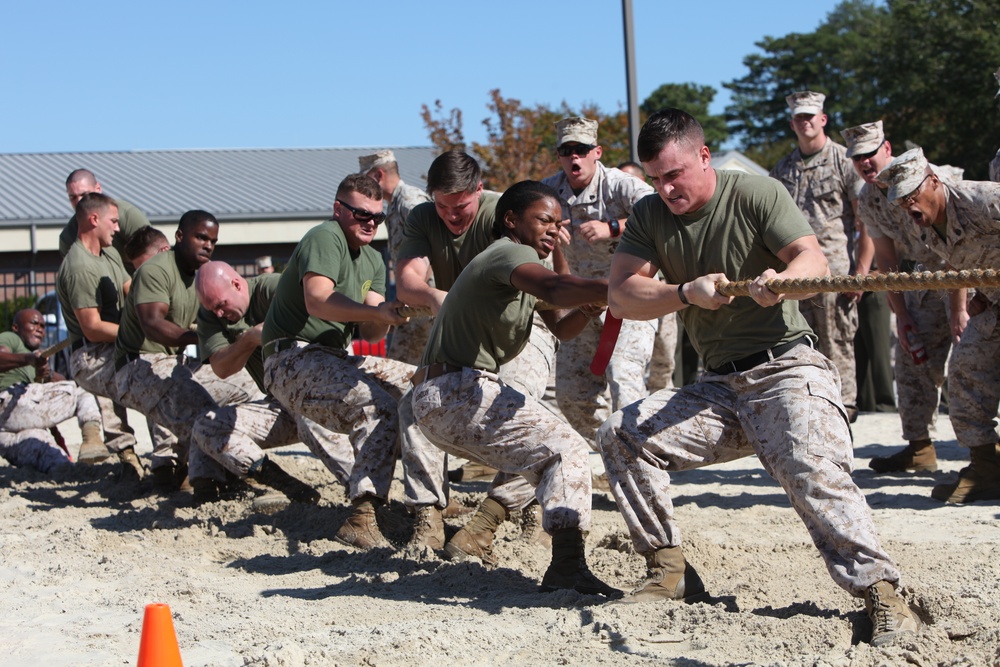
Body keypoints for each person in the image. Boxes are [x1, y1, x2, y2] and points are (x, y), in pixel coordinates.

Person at [598, 109, 917, 646]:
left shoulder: (757, 194)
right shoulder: (650, 214)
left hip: (785, 368)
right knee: (621, 434)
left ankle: (882, 593)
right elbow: (620, 295)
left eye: (674, 174)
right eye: (655, 177)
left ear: (704, 156)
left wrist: (784, 280)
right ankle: (669, 570)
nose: (665, 187)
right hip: (718, 389)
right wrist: (682, 293)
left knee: (810, 465)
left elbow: (812, 260)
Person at [409, 180, 618, 597]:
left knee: (548, 453)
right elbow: (556, 288)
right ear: (510, 220)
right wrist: (616, 288)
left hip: (441, 400)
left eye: (558, 224)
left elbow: (561, 327)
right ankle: (567, 567)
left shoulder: (515, 274)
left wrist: (594, 306)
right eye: (544, 219)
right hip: (457, 391)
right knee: (570, 449)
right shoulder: (510, 252)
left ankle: (501, 535)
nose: (552, 231)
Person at [395, 152, 565, 546]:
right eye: (442, 206)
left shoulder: (506, 212)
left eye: (461, 206)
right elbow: (407, 281)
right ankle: (427, 514)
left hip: (522, 317)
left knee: (520, 402)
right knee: (416, 403)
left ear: (479, 191)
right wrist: (441, 297)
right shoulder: (423, 217)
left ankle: (502, 512)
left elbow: (547, 279)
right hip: (463, 325)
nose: (451, 215)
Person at [262, 173, 427, 549]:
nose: (370, 223)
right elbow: (318, 300)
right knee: (378, 407)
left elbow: (370, 330)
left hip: (334, 358)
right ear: (339, 210)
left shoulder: (371, 258)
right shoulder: (326, 237)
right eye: (360, 214)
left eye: (378, 218)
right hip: (293, 356)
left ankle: (427, 502)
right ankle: (362, 516)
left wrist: (389, 314)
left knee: (425, 387)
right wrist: (376, 314)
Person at [878, 147, 1000, 504]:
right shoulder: (926, 226)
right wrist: (967, 301)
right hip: (994, 305)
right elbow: (955, 264)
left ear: (933, 181)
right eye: (900, 202)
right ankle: (987, 468)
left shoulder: (983, 198)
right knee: (964, 370)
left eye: (912, 195)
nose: (908, 208)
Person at [113, 210, 261, 495]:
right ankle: (222, 478)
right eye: (201, 237)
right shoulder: (155, 270)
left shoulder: (203, 280)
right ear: (179, 237)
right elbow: (153, 324)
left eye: (213, 241)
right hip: (137, 365)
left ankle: (194, 470)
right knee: (202, 413)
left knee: (249, 389)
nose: (208, 245)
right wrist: (203, 337)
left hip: (177, 362)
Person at [191, 261, 355, 505]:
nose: (218, 313)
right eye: (211, 308)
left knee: (312, 421)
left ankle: (367, 495)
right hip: (280, 405)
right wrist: (248, 339)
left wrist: (272, 334)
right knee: (206, 426)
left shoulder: (272, 289)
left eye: (220, 305)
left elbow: (322, 331)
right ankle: (288, 486)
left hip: (319, 394)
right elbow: (222, 368)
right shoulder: (212, 316)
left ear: (237, 284)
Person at [841, 122, 954, 473]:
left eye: (870, 154)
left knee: (973, 363)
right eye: (857, 158)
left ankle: (983, 454)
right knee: (910, 365)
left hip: (962, 276)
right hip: (921, 285)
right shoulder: (869, 198)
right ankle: (920, 449)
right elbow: (887, 259)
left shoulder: (924, 176)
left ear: (887, 148)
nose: (865, 164)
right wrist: (901, 314)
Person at [541, 117, 660, 445]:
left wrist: (614, 226)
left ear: (597, 152)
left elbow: (659, 210)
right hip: (586, 300)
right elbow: (521, 221)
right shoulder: (549, 191)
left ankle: (639, 456)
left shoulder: (619, 184)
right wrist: (546, 230)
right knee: (570, 394)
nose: (573, 158)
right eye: (566, 151)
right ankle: (617, 449)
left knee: (624, 374)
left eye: (580, 150)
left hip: (631, 293)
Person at [770, 92, 866, 420]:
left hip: (836, 270)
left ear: (823, 119)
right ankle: (812, 405)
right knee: (799, 342)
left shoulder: (843, 160)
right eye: (799, 117)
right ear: (792, 123)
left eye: (810, 116)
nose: (805, 122)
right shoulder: (783, 169)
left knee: (838, 340)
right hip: (795, 272)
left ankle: (845, 407)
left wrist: (860, 271)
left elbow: (863, 221)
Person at [56, 192, 146, 477]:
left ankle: (167, 462)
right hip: (91, 355)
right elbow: (92, 327)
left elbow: (130, 289)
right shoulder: (79, 265)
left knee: (157, 377)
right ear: (95, 219)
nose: (118, 228)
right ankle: (129, 460)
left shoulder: (108, 254)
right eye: (114, 222)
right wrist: (139, 335)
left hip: (114, 344)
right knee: (149, 382)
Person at [1, 309, 104, 473]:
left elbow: (60, 384)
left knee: (56, 462)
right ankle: (92, 439)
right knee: (81, 392)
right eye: (34, 323)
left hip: (9, 430)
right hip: (7, 403)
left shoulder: (35, 361)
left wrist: (46, 375)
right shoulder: (11, 339)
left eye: (42, 325)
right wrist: (29, 359)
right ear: (16, 327)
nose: (40, 329)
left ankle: (64, 470)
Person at [358, 150, 432, 365]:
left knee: (402, 373)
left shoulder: (410, 201)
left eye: (366, 181)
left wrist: (415, 290)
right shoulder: (395, 204)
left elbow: (437, 246)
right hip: (415, 305)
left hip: (425, 306)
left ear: (378, 175)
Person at [60, 169, 151, 273]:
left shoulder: (126, 216)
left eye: (84, 194)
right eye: (73, 197)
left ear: (98, 189)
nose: (79, 201)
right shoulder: (68, 237)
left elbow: (153, 257)